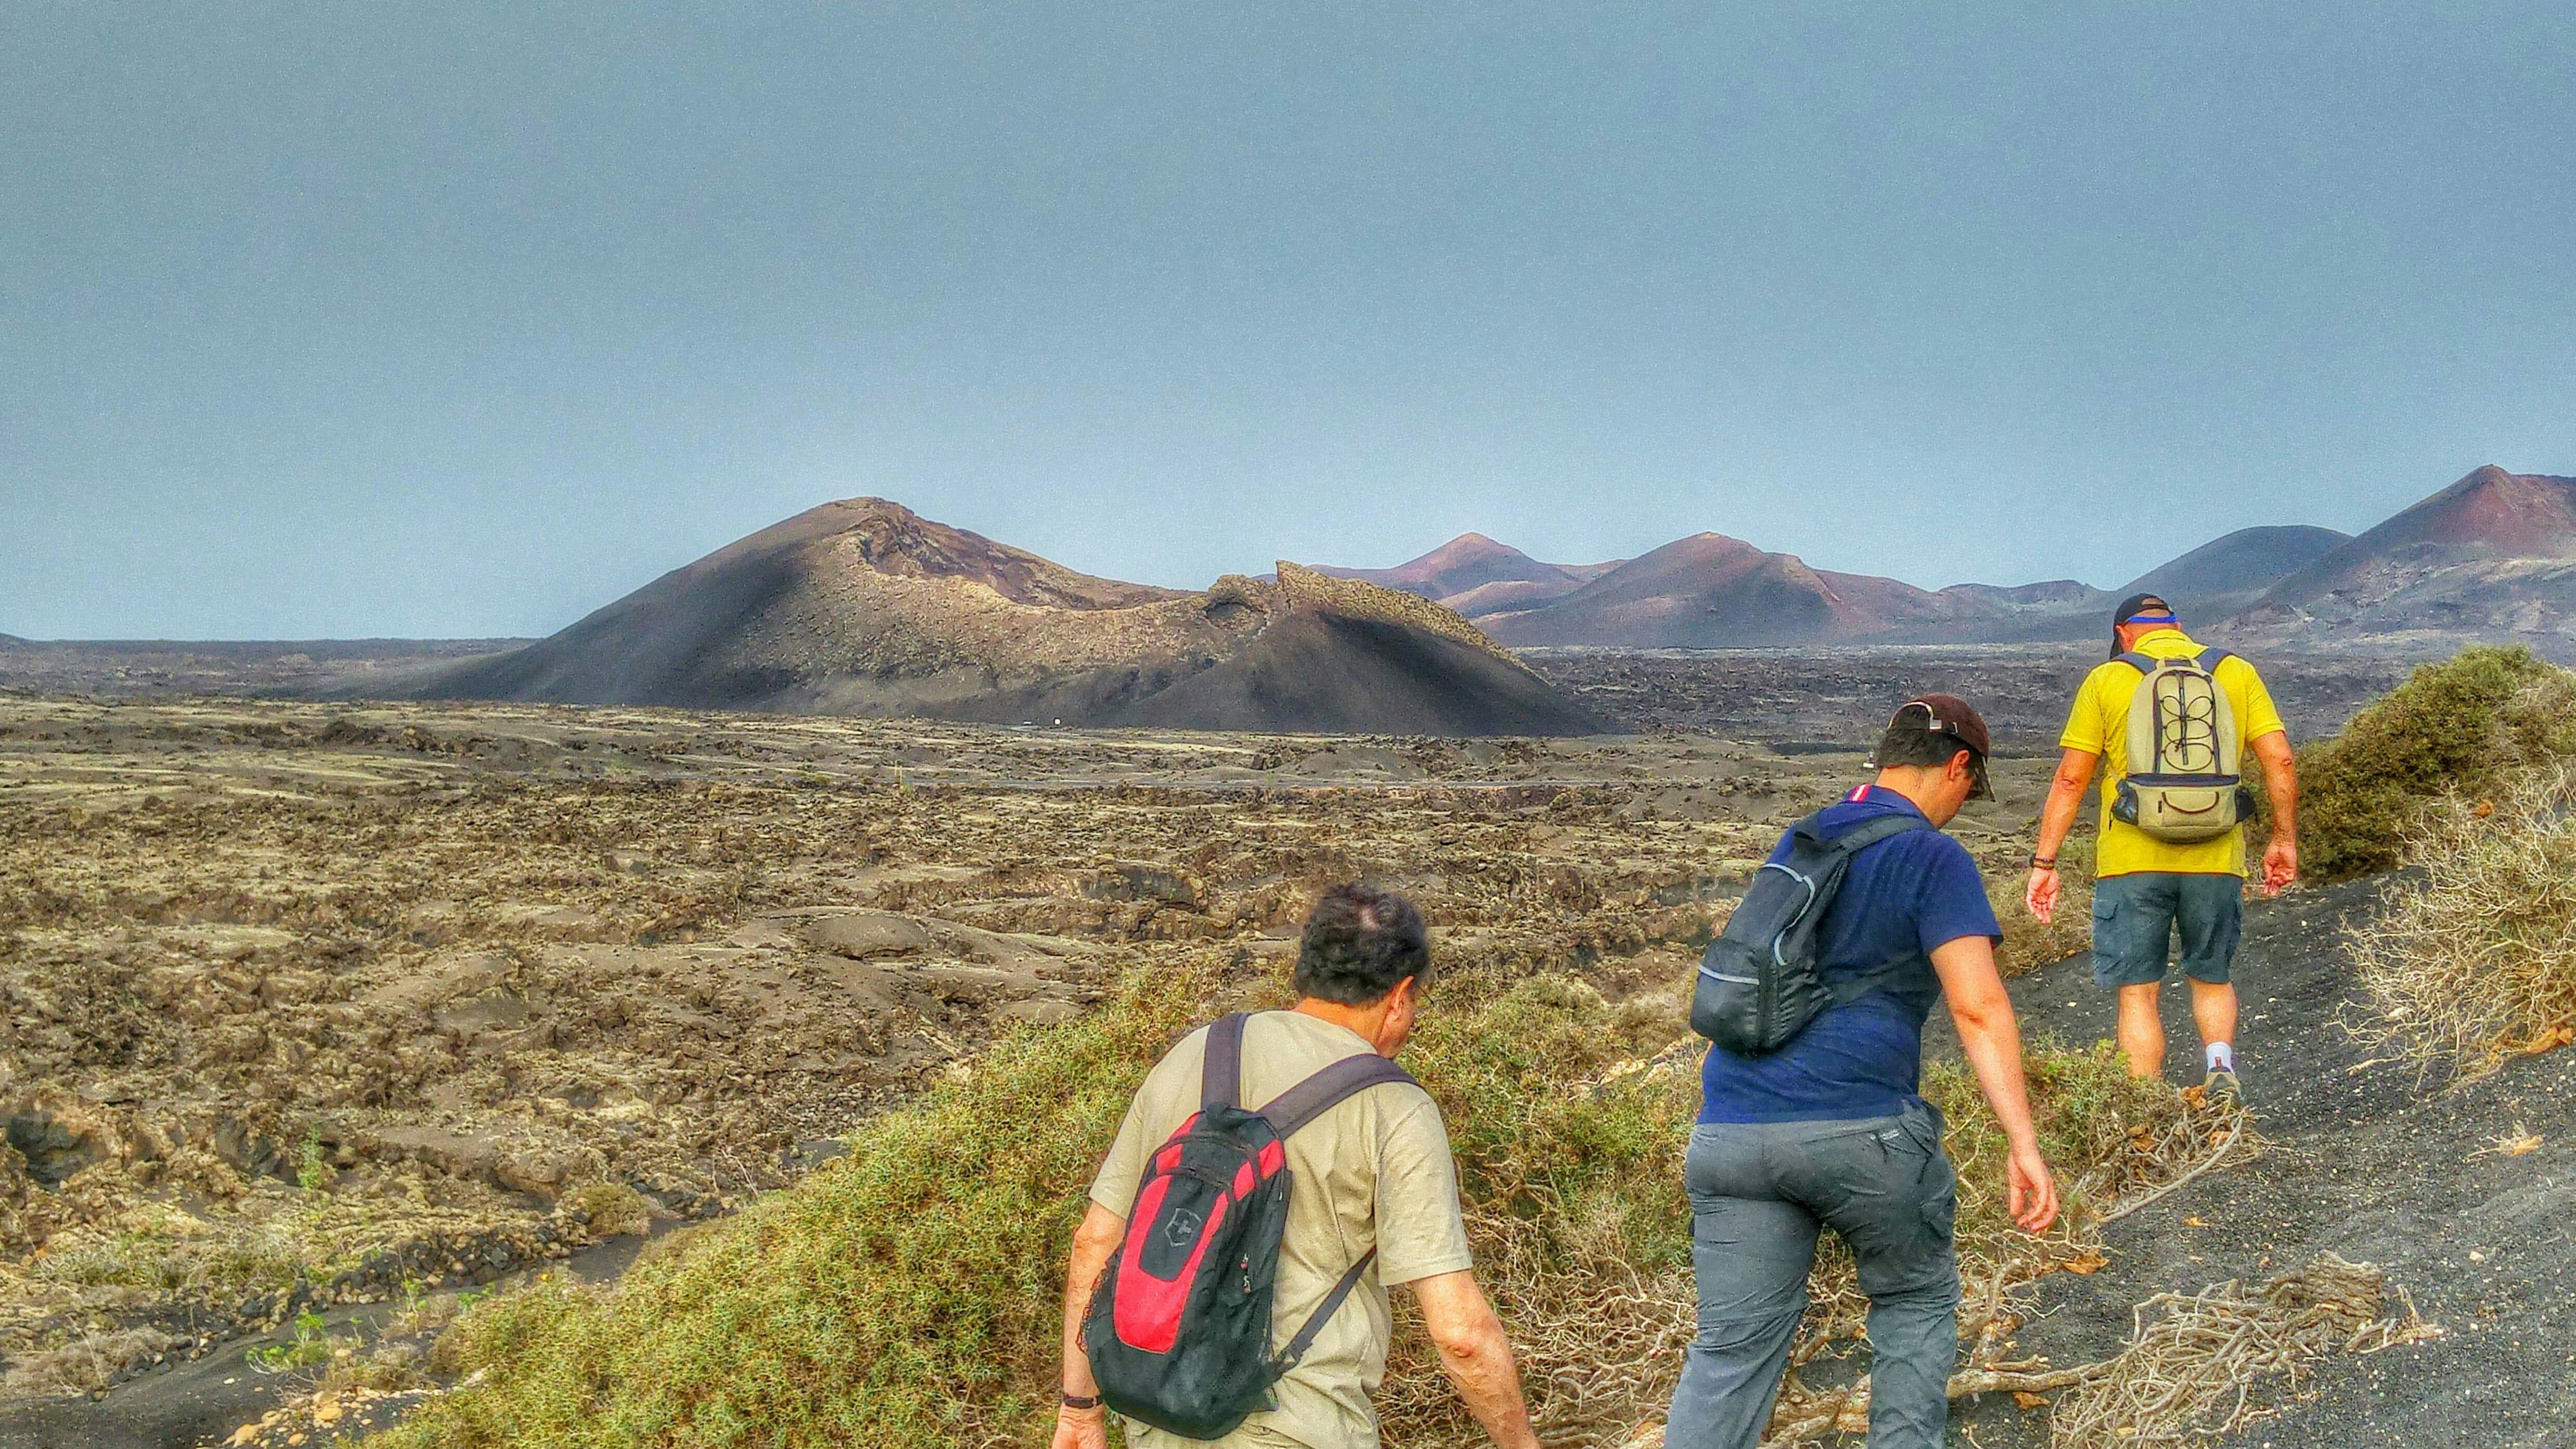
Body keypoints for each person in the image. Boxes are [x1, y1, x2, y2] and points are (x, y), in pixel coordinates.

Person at [1667, 696, 2060, 1449]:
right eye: (1968, 793)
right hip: (1863, 1134)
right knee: (1914, 1300)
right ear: (1957, 767)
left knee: (1730, 1353)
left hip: (1732, 1134)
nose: (1959, 811)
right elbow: (1978, 1008)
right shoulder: (1932, 856)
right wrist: (2024, 1145)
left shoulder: (1804, 840)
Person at [1051, 884, 1543, 1449]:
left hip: (1161, 1419)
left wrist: (1079, 1411)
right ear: (1400, 996)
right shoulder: (1396, 1107)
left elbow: (1094, 1244)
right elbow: (1460, 1334)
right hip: (1302, 1427)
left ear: (1305, 969)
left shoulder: (1195, 1052)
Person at [2024, 594, 2298, 1102]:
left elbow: (2069, 780)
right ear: (2178, 627)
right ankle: (2218, 1067)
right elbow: (2278, 761)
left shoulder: (2108, 679)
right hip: (2215, 858)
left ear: (2123, 634)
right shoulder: (2234, 671)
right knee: (2211, 976)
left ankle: (2144, 1109)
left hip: (2131, 863)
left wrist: (2045, 862)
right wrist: (2282, 839)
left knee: (2137, 990)